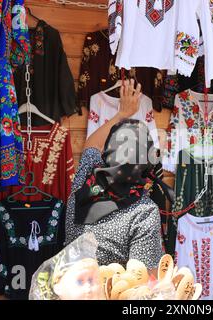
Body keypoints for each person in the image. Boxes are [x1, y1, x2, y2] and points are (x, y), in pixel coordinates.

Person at [65, 79, 168, 273]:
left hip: (70, 288)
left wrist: (121, 114)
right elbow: (142, 279)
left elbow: (91, 147)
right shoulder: (143, 212)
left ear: (108, 152)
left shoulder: (84, 182)